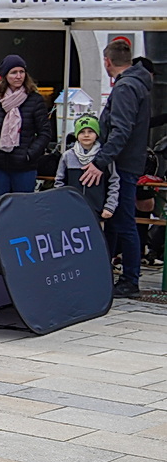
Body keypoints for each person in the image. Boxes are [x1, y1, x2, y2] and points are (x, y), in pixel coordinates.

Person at [85, 37, 153, 297]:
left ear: (107, 61)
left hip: (121, 165)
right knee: (114, 222)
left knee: (123, 221)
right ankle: (107, 272)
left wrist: (100, 162)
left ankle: (130, 279)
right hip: (126, 162)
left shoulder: (126, 88)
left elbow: (121, 131)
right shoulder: (138, 84)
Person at [0, 55, 51, 198]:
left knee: (22, 208)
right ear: (5, 75)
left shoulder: (34, 99)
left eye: (22, 72)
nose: (18, 76)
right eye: (14, 72)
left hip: (24, 165)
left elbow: (44, 132)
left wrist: (30, 154)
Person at [56, 115, 118, 225]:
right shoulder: (67, 156)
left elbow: (113, 182)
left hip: (97, 212)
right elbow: (59, 182)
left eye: (90, 131)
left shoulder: (104, 158)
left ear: (97, 134)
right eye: (82, 132)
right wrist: (62, 205)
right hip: (72, 211)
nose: (86, 135)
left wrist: (110, 206)